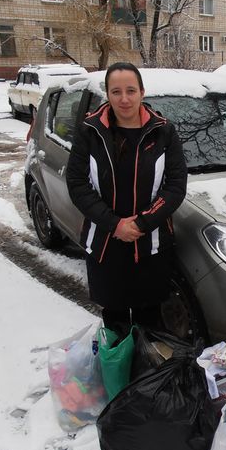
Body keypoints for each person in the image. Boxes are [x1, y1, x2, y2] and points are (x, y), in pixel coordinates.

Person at [67, 62, 188, 339]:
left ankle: (148, 380)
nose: (124, 98)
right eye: (116, 91)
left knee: (151, 322)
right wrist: (115, 224)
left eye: (131, 90)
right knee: (115, 322)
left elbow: (176, 185)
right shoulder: (90, 131)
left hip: (151, 245)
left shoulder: (164, 132)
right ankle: (120, 378)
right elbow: (77, 184)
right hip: (105, 246)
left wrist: (143, 223)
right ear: (107, 94)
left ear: (142, 92)